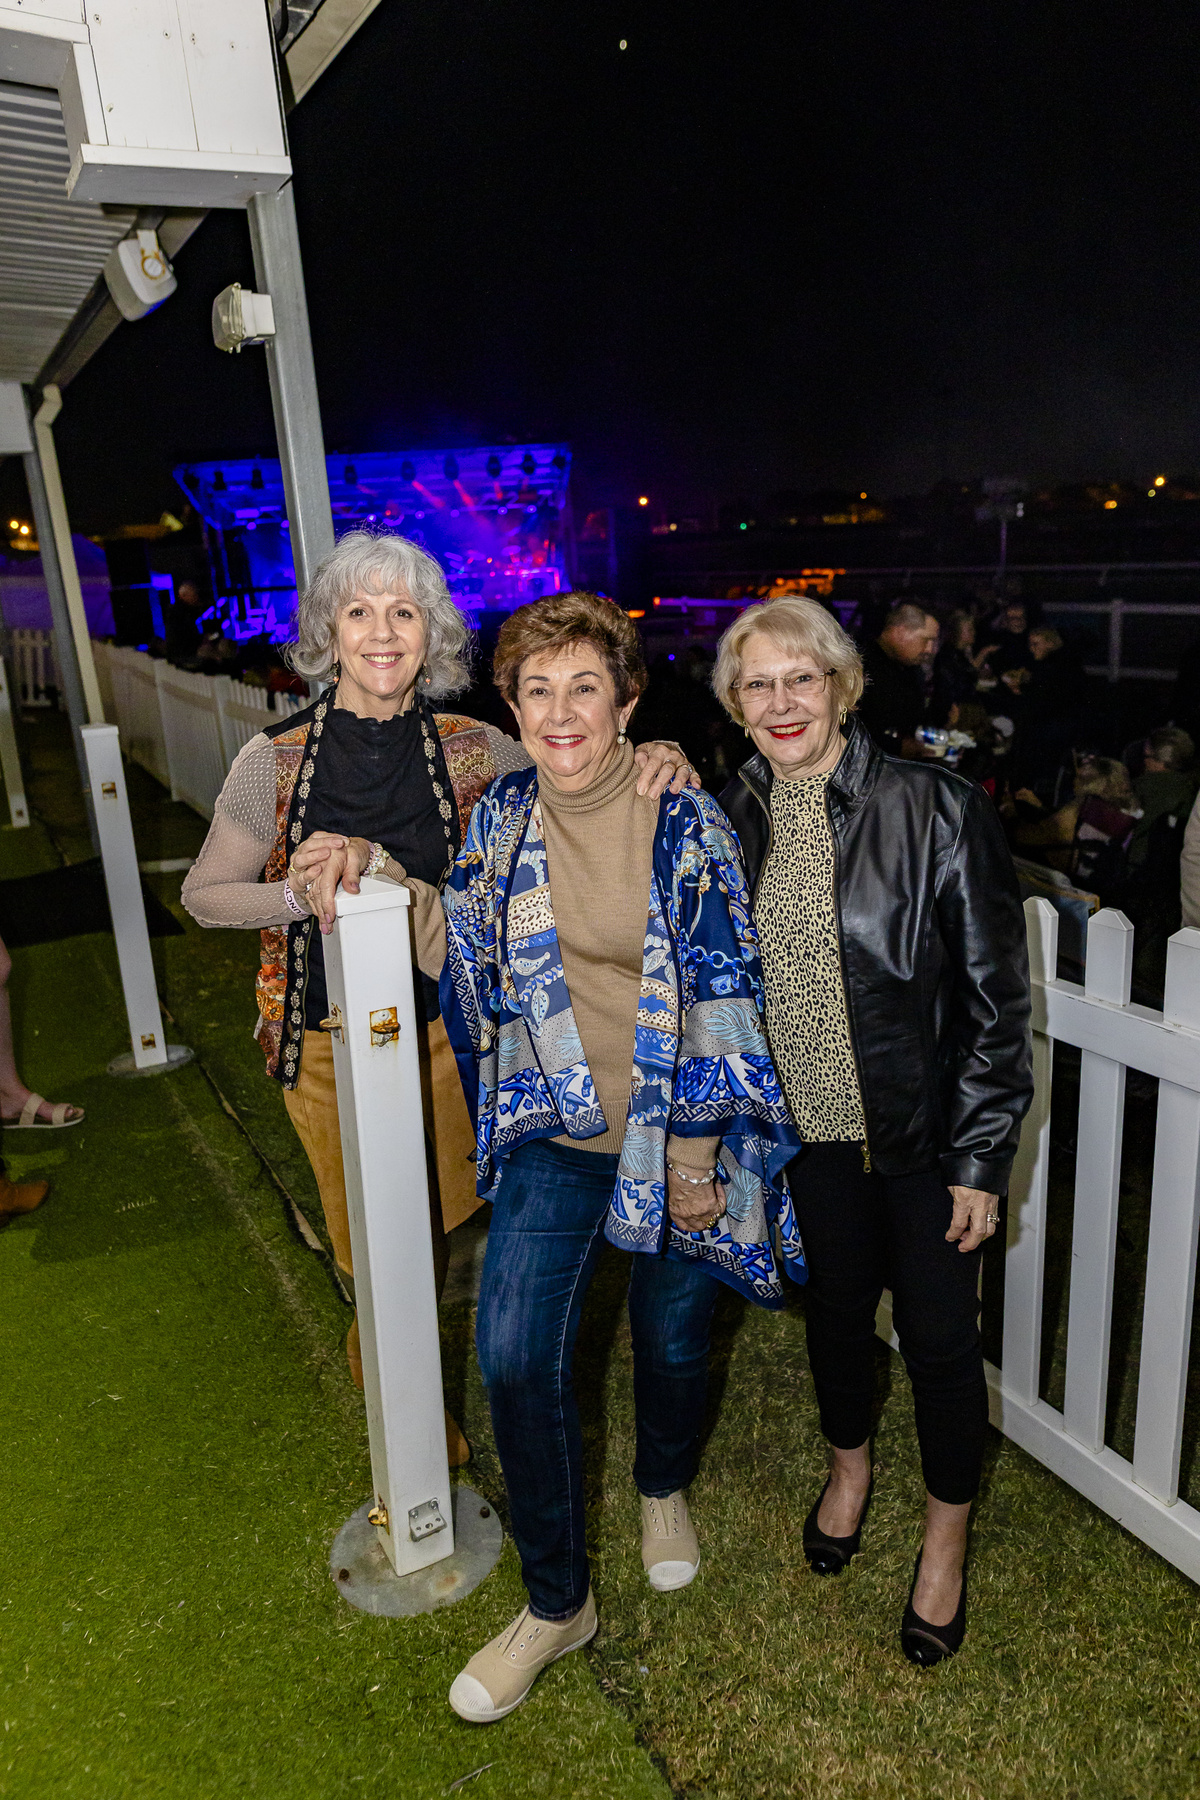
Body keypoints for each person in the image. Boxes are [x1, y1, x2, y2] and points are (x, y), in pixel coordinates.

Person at [182, 536, 694, 1437]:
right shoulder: (273, 760)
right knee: (377, 1249)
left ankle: (416, 1413)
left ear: (433, 634)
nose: (382, 633)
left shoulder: (478, 748)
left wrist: (657, 755)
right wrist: (302, 896)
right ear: (329, 633)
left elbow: (580, 772)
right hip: (330, 1045)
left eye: (404, 613)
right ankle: (410, 1432)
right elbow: (204, 895)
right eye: (359, 612)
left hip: (452, 1039)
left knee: (429, 1231)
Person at [423, 591, 802, 1722]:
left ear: (627, 703)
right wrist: (366, 875)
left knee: (673, 1341)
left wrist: (693, 1161)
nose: (559, 712)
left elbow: (725, 993)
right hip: (559, 1132)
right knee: (510, 1355)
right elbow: (461, 943)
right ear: (512, 707)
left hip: (677, 1134)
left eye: (584, 687)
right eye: (536, 690)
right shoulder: (500, 817)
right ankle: (558, 1603)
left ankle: (662, 1486)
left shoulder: (681, 815)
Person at [715, 595, 1032, 1667]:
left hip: (924, 1142)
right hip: (806, 1140)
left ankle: (945, 1541)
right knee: (838, 1321)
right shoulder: (731, 814)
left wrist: (979, 1160)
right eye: (758, 684)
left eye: (800, 678)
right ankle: (849, 1470)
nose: (781, 701)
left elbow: (995, 1005)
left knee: (940, 1345)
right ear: (736, 705)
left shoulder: (935, 807)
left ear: (842, 686)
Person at [1011, 756, 1137, 894]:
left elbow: (1028, 838)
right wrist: (1041, 808)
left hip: (1072, 890)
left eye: (1077, 777)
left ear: (1089, 783)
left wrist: (1011, 814)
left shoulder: (1081, 807)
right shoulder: (1126, 815)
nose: (1073, 781)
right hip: (1103, 891)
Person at [857, 602, 939, 756]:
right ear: (900, 633)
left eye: (933, 642)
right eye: (925, 640)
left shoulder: (911, 669)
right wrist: (897, 746)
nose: (929, 649)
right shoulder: (860, 664)